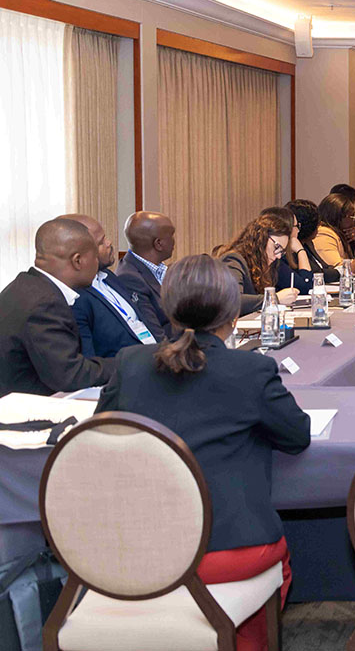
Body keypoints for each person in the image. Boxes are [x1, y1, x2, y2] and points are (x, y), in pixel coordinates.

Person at [96, 254, 310, 651]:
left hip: (142, 548)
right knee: (274, 570)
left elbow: (101, 439)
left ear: (167, 307)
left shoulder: (130, 364)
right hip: (229, 547)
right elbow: (297, 436)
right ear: (233, 312)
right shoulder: (250, 370)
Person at [0, 219, 116, 396]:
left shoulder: (24, 285)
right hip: (29, 407)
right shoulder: (45, 304)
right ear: (78, 261)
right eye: (95, 257)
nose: (97, 263)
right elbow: (70, 375)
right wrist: (126, 363)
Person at [61, 214, 165, 358]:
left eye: (106, 237)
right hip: (128, 367)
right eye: (101, 242)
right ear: (79, 256)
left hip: (157, 356)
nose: (109, 243)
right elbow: (90, 359)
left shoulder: (109, 277)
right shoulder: (76, 297)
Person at [214, 213, 298, 316]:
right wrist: (274, 298)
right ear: (261, 238)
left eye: (282, 251)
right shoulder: (234, 260)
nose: (279, 256)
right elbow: (232, 300)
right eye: (277, 247)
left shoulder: (262, 264)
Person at [115, 211, 176, 338]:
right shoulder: (130, 278)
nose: (174, 241)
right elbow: (156, 334)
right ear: (159, 244)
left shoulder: (160, 269)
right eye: (171, 235)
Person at [261, 206, 315, 294]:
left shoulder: (284, 253)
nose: (298, 231)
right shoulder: (274, 258)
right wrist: (301, 251)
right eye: (296, 226)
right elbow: (305, 287)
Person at [286, 199, 340, 283]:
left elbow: (323, 267)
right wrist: (341, 271)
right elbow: (313, 275)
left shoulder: (308, 243)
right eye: (296, 226)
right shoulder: (292, 250)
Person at [313, 193, 355, 270]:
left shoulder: (344, 233)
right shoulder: (324, 234)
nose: (353, 221)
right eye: (351, 216)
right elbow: (337, 267)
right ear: (337, 217)